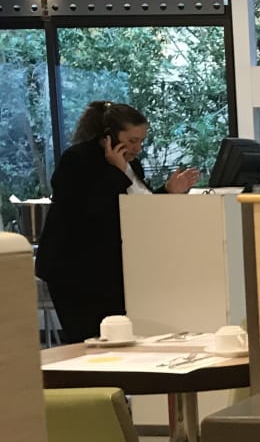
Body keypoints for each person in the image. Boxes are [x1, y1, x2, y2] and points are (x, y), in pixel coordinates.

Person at [35, 101, 200, 342]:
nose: (137, 148)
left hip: (111, 269)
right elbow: (87, 212)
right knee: (90, 340)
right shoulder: (77, 159)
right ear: (109, 136)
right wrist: (116, 171)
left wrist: (167, 191)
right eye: (132, 140)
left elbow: (135, 209)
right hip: (75, 271)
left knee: (120, 336)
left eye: (141, 141)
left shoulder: (131, 165)